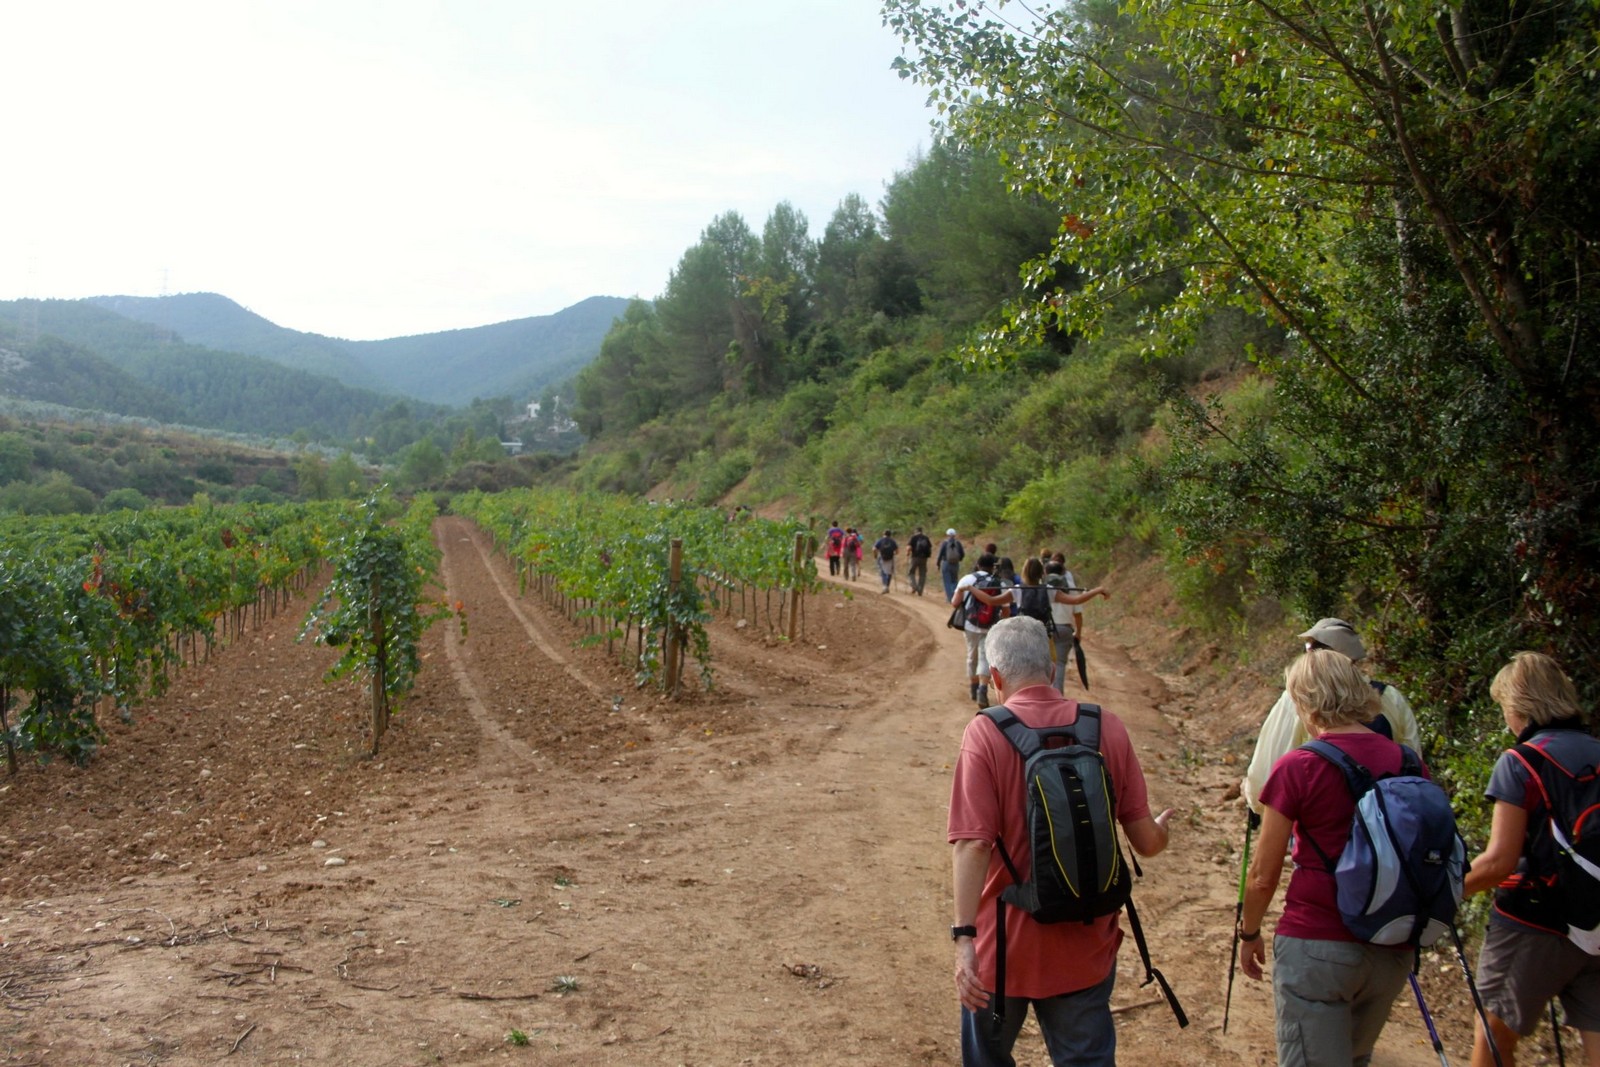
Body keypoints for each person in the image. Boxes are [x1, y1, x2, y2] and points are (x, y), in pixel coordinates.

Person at [950, 615, 1173, 1066]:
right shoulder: (1105, 726)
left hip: (1005, 947)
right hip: (1084, 945)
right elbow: (1146, 842)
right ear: (1052, 670)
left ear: (996, 677)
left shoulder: (986, 733)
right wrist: (1163, 830)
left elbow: (973, 844)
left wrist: (964, 938)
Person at [1237, 649, 1418, 1067]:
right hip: (1391, 947)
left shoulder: (1299, 766)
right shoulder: (1406, 761)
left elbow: (1263, 875)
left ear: (1305, 702)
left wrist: (1249, 933)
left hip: (1318, 944)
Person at [1461, 652, 1600, 1067]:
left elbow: (1499, 862)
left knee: (1493, 1035)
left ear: (1520, 706)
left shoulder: (1521, 761)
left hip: (1535, 922)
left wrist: (1444, 891)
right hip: (1596, 921)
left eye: (1504, 707)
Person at [1241, 618, 1421, 812]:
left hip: (1319, 821)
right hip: (1387, 822)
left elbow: (1266, 777)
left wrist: (1254, 799)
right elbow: (1413, 765)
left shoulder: (1299, 697)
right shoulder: (1390, 697)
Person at [967, 558, 1108, 674]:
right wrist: (1097, 590)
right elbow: (1076, 600)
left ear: (1024, 573)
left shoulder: (1017, 590)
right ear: (1042, 573)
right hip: (1044, 637)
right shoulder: (1049, 590)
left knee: (1023, 671)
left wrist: (971, 589)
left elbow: (991, 601)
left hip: (1023, 638)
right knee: (1047, 671)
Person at [953, 553, 1000, 705]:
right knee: (985, 657)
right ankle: (982, 689)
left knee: (972, 655)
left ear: (978, 565)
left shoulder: (967, 579)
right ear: (992, 566)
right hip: (990, 626)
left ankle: (973, 687)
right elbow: (1004, 608)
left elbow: (955, 603)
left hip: (971, 624)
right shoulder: (997, 582)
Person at [938, 528, 965, 601]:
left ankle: (950, 598)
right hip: (956, 564)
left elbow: (940, 554)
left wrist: (938, 563)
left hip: (946, 563)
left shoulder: (945, 543)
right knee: (954, 580)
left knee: (947, 581)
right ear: (955, 535)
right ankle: (955, 596)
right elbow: (962, 554)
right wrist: (959, 559)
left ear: (947, 535)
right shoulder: (958, 543)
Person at [907, 526, 934, 596]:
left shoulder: (913, 537)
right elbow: (930, 548)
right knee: (922, 574)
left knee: (911, 572)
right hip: (924, 559)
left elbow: (909, 547)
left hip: (915, 557)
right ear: (922, 531)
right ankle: (920, 590)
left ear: (916, 531)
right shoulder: (926, 538)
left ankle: (914, 586)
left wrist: (908, 553)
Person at [873, 529, 899, 594]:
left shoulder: (880, 540)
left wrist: (875, 555)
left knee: (883, 572)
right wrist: (894, 553)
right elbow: (897, 551)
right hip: (890, 558)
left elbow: (874, 549)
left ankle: (884, 586)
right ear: (890, 535)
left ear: (883, 534)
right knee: (889, 573)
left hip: (882, 557)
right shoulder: (892, 541)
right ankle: (887, 586)